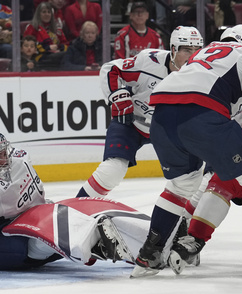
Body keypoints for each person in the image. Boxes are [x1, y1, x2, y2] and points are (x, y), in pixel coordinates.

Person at [131, 24, 242, 285]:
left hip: (162, 113)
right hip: (201, 111)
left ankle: (149, 255)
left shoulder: (205, 52)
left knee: (180, 185)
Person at [0, 128, 151, 271]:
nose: (4, 158)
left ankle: (151, 238)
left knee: (81, 211)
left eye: (3, 151)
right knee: (34, 240)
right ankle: (96, 245)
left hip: (33, 218)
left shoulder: (18, 159)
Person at [76, 26, 203, 198]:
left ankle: (181, 220)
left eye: (197, 50)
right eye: (187, 50)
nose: (193, 56)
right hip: (132, 122)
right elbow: (111, 69)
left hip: (168, 132)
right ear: (173, 49)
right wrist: (116, 96)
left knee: (190, 178)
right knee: (112, 170)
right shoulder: (149, 62)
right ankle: (78, 209)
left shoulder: (203, 73)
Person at [24, 1, 69, 71]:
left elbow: (65, 44)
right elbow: (27, 46)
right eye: (44, 12)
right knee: (65, 56)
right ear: (38, 14)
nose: (47, 14)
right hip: (40, 57)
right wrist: (47, 48)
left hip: (57, 54)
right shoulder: (32, 28)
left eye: (49, 12)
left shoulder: (57, 29)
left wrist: (59, 48)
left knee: (71, 53)